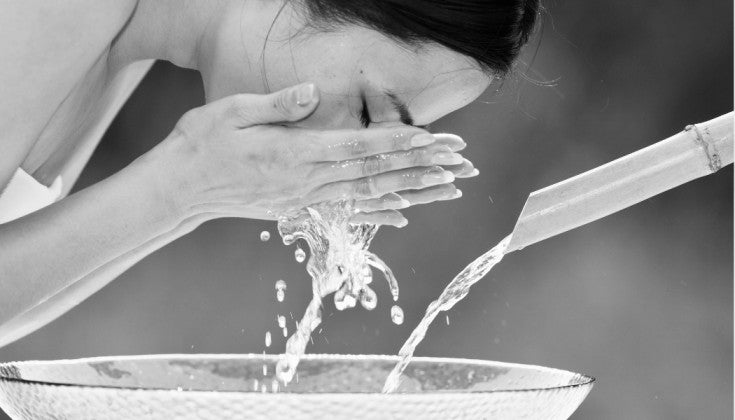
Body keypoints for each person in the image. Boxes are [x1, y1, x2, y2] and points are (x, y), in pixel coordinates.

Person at [0, 0, 538, 347]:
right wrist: (177, 184)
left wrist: (196, 198)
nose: (346, 153)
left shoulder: (127, 46)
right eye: (369, 113)